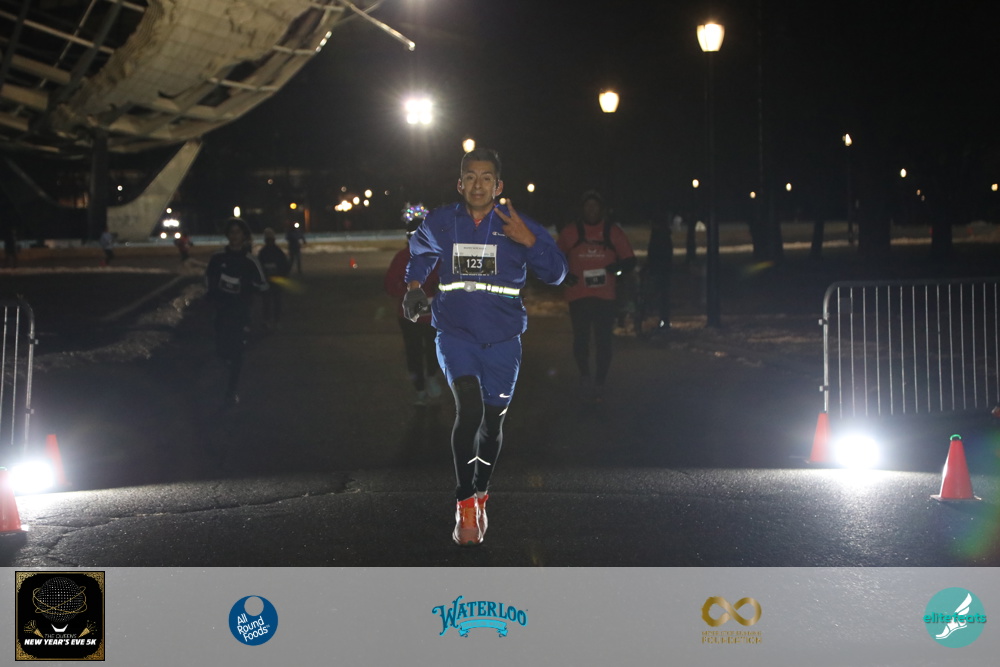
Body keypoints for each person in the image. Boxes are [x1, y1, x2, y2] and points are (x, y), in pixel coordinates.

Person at [403, 149, 567, 547]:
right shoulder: (442, 221)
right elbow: (421, 250)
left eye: (486, 177)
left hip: (503, 341)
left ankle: (481, 492)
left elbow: (558, 273)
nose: (478, 184)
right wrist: (414, 285)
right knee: (470, 410)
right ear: (460, 184)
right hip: (455, 333)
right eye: (471, 177)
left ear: (499, 185)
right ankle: (464, 504)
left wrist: (530, 242)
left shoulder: (518, 224)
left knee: (492, 424)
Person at [557, 190, 636, 401]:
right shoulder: (570, 232)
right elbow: (554, 260)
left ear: (602, 210)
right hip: (578, 295)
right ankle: (584, 375)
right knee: (581, 339)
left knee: (604, 341)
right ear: (582, 209)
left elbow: (630, 260)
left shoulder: (613, 232)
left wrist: (617, 269)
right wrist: (564, 276)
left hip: (605, 296)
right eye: (587, 206)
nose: (591, 210)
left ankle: (600, 381)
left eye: (595, 206)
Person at [384, 204, 443, 406]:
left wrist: (439, 287)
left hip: (432, 313)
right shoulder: (402, 258)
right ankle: (419, 389)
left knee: (435, 349)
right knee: (414, 352)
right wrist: (407, 289)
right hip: (410, 315)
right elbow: (390, 285)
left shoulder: (437, 257)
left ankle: (432, 376)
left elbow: (446, 280)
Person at [205, 218, 268, 406]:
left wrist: (248, 287)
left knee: (237, 351)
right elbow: (208, 279)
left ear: (244, 235)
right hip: (222, 310)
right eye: (231, 232)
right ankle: (228, 363)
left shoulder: (250, 260)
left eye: (238, 232)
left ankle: (231, 391)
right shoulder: (217, 257)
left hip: (241, 312)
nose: (234, 236)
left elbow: (263, 284)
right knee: (221, 349)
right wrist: (215, 292)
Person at [640, 214, 674, 336]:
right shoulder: (664, 235)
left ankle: (660, 319)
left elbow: (654, 254)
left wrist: (649, 267)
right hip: (662, 270)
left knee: (657, 295)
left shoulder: (659, 235)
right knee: (662, 296)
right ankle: (663, 319)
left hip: (659, 270)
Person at [257, 228, 291, 330]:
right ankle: (268, 320)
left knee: (275, 302)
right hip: (269, 281)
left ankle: (274, 320)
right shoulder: (266, 252)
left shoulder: (274, 252)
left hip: (275, 280)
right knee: (268, 302)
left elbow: (284, 266)